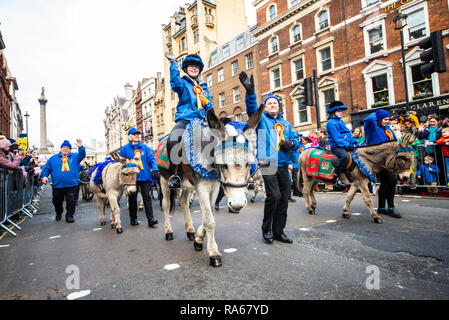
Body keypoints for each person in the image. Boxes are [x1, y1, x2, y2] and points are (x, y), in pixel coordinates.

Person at [240, 71, 299, 244]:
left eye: (275, 103)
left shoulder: (286, 124)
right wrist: (250, 93)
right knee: (274, 196)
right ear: (265, 107)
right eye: (269, 103)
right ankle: (266, 230)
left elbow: (296, 139)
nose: (273, 105)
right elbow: (252, 109)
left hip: (283, 164)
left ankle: (279, 231)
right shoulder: (261, 120)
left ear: (279, 106)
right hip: (267, 163)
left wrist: (292, 144)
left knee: (284, 197)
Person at [164, 52, 214, 189]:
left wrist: (211, 115)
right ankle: (175, 175)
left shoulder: (203, 87)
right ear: (185, 68)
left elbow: (208, 104)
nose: (194, 68)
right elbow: (174, 83)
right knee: (174, 138)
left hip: (201, 120)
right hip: (185, 120)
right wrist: (173, 63)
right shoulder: (182, 83)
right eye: (191, 65)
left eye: (196, 66)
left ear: (199, 69)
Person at [364, 109, 401, 219]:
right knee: (392, 178)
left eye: (388, 119)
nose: (387, 121)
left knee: (385, 181)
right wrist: (378, 113)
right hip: (376, 158)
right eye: (385, 119)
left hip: (388, 158)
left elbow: (393, 141)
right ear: (379, 119)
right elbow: (368, 118)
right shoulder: (372, 127)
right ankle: (390, 207)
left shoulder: (387, 129)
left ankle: (381, 207)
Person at [119, 128, 159, 227]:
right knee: (132, 199)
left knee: (147, 197)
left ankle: (151, 219)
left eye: (138, 134)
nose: (137, 136)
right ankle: (133, 219)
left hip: (145, 177)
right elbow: (120, 163)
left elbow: (152, 159)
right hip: (132, 179)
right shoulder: (125, 149)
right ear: (130, 136)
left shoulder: (145, 148)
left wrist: (154, 168)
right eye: (134, 134)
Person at [40, 140, 86, 223]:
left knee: (71, 201)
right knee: (56, 201)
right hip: (58, 185)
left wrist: (80, 147)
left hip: (72, 184)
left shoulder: (75, 157)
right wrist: (44, 176)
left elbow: (82, 154)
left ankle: (69, 216)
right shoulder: (53, 158)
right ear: (61, 148)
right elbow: (46, 169)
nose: (65, 149)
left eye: (67, 148)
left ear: (70, 149)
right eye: (63, 147)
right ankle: (59, 212)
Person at [325, 101, 358, 188]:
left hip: (345, 144)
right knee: (345, 157)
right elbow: (337, 138)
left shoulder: (340, 121)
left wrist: (354, 141)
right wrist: (348, 145)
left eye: (341, 111)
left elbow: (347, 134)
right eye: (339, 111)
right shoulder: (331, 123)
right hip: (336, 146)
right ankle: (336, 176)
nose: (341, 112)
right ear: (333, 112)